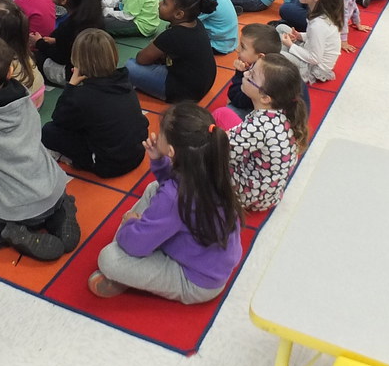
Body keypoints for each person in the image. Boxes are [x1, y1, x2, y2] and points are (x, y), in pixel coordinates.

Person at [88, 103, 243, 303]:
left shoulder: (175, 197)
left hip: (196, 282)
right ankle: (142, 241)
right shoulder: (211, 167)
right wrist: (159, 162)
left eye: (160, 132)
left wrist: (130, 223)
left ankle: (128, 269)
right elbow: (173, 186)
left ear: (171, 150)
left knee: (109, 258)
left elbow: (136, 244)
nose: (156, 134)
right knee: (154, 188)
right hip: (210, 262)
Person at [0, 36, 80, 262]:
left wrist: (4, 197)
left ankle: (14, 232)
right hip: (54, 187)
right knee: (34, 195)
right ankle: (61, 210)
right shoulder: (25, 97)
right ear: (11, 71)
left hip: (20, 208)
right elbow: (35, 139)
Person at [40, 29, 147, 178]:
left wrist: (70, 86)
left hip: (109, 165)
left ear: (77, 60)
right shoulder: (124, 80)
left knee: (48, 131)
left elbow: (58, 119)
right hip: (137, 153)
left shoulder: (83, 96)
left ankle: (77, 161)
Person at [215, 53, 308, 212]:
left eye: (251, 75)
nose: (245, 74)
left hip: (249, 195)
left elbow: (220, 153)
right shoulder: (283, 112)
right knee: (223, 114)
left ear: (265, 97)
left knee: (200, 160)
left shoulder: (258, 126)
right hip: (269, 192)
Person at [126, 0, 217, 103]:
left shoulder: (173, 35)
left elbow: (141, 59)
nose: (159, 3)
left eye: (164, 3)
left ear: (179, 15)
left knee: (130, 66)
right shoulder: (196, 23)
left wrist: (156, 42)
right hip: (203, 85)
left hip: (183, 93)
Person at [32, 0, 104, 85]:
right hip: (94, 69)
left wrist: (39, 43)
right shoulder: (93, 15)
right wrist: (56, 40)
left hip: (73, 75)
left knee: (32, 58)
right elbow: (72, 42)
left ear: (63, 0)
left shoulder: (70, 25)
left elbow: (60, 57)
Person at [225, 23, 311, 121]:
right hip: (297, 115)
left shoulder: (263, 78)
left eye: (243, 47)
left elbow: (235, 96)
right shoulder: (278, 63)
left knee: (228, 111)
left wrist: (240, 73)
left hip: (281, 124)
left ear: (261, 56)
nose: (237, 49)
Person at [277, 0, 344, 84]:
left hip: (312, 68)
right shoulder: (320, 14)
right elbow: (315, 38)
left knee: (277, 54)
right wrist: (299, 36)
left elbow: (314, 58)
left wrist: (291, 45)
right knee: (281, 28)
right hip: (308, 51)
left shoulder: (319, 24)